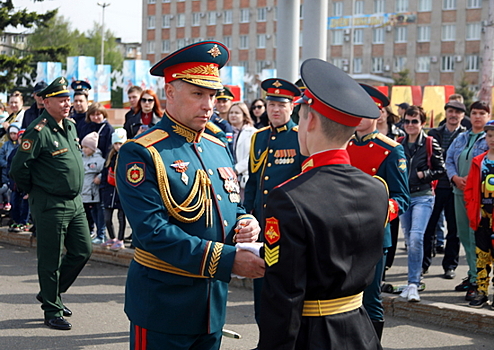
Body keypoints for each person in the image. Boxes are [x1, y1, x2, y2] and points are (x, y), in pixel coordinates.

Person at [116, 41, 264, 350]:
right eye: (198, 94)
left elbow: (229, 205)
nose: (208, 105)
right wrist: (229, 261)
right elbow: (153, 232)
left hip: (211, 307)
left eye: (212, 95)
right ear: (170, 92)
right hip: (163, 306)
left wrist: (246, 220)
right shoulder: (142, 152)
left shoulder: (216, 144)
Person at [258, 58, 389, 350]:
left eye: (301, 116)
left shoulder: (289, 198)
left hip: (312, 335)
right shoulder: (377, 189)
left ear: (311, 120)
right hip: (361, 331)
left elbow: (283, 297)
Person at [10, 76, 93, 330]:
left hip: (74, 203)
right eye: (61, 99)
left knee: (82, 250)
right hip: (50, 204)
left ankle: (51, 292)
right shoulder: (38, 131)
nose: (67, 103)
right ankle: (52, 309)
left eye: (68, 98)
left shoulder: (69, 126)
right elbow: (18, 168)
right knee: (51, 259)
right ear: (46, 102)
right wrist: (32, 190)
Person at [346, 84, 410, 339]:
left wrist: (378, 214)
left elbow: (401, 198)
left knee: (370, 299)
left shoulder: (391, 150)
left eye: (365, 111)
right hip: (341, 232)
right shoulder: (344, 145)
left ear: (378, 114)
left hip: (372, 235)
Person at [243, 77, 305, 331]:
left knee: (285, 284)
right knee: (261, 284)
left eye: (281, 105)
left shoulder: (300, 136)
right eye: (271, 105)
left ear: (292, 107)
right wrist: (246, 214)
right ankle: (264, 338)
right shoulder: (258, 138)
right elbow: (254, 180)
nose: (275, 110)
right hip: (261, 223)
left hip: (288, 225)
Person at [398, 106, 445, 302]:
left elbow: (441, 170)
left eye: (414, 121)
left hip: (423, 196)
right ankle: (411, 282)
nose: (410, 125)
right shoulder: (398, 143)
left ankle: (414, 283)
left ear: (422, 123)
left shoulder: (429, 142)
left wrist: (424, 174)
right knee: (410, 240)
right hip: (404, 196)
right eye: (407, 121)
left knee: (417, 237)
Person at [446, 101, 490, 301]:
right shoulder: (461, 137)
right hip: (459, 192)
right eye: (474, 113)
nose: (477, 117)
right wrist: (455, 178)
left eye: (482, 113)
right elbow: (448, 160)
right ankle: (473, 274)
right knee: (464, 236)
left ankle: (477, 281)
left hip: (480, 197)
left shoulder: (489, 138)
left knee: (477, 238)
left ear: (488, 116)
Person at [422, 101, 467, 280]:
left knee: (453, 230)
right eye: (450, 111)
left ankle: (450, 266)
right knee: (429, 228)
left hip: (455, 188)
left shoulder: (465, 136)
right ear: (446, 113)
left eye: (457, 112)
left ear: (462, 116)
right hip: (435, 187)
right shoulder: (434, 134)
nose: (453, 115)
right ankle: (423, 265)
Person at [464, 119, 494, 308]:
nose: (493, 139)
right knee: (482, 255)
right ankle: (482, 291)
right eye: (490, 136)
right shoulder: (479, 161)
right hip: (482, 216)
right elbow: (469, 189)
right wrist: (471, 209)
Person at [100, 128, 127, 251]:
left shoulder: (128, 157)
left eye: (120, 143)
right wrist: (103, 188)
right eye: (116, 143)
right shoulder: (110, 157)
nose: (118, 146)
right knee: (107, 217)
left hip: (121, 193)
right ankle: (112, 237)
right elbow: (105, 173)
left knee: (121, 218)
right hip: (109, 192)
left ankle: (120, 239)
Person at [227, 101, 257, 202]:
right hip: (229, 176)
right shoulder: (226, 132)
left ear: (244, 115)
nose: (233, 115)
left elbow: (252, 156)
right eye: (231, 113)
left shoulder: (252, 132)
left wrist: (236, 169)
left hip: (243, 176)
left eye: (237, 113)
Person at [80, 132, 106, 245]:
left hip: (94, 192)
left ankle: (101, 234)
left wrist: (99, 177)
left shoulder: (99, 160)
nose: (84, 150)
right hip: (83, 192)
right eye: (83, 147)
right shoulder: (80, 158)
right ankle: (89, 232)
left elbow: (104, 170)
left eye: (87, 147)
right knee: (86, 214)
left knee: (98, 214)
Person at [6, 128, 29, 232]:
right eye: (20, 138)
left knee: (25, 205)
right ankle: (16, 221)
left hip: (25, 184)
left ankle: (24, 222)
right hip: (15, 183)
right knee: (14, 203)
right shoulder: (14, 152)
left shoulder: (29, 152)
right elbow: (9, 167)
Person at [0, 122, 21, 211]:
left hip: (16, 171)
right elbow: (1, 156)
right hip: (6, 170)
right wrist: (5, 164)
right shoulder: (6, 145)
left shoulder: (20, 145)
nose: (13, 136)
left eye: (15, 134)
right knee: (5, 187)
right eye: (11, 134)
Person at [211, 87, 235, 151]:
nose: (221, 104)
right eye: (218, 102)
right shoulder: (211, 121)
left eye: (224, 101)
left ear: (231, 102)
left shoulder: (237, 121)